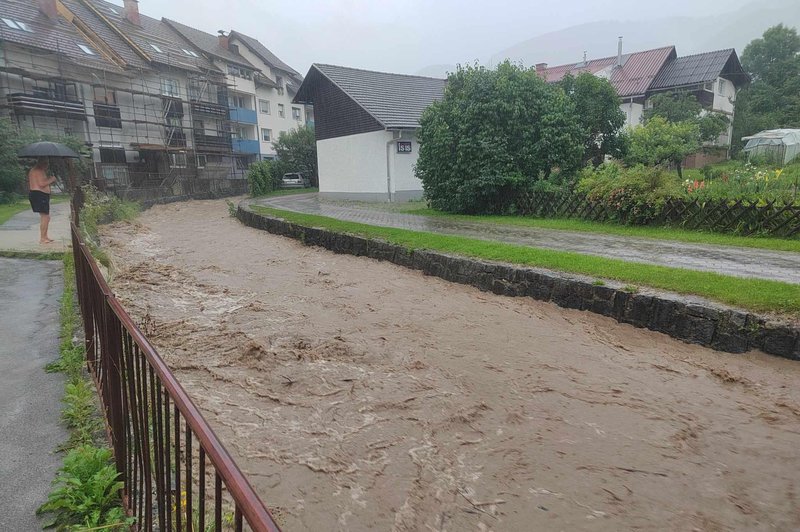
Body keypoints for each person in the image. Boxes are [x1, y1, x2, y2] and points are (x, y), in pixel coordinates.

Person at [27, 157, 57, 244]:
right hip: (39, 195)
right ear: (41, 163)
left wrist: (49, 179)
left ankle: (45, 236)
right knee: (45, 217)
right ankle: (42, 238)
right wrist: (51, 179)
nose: (47, 166)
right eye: (45, 163)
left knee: (46, 217)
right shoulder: (37, 170)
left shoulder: (38, 170)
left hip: (40, 195)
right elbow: (41, 184)